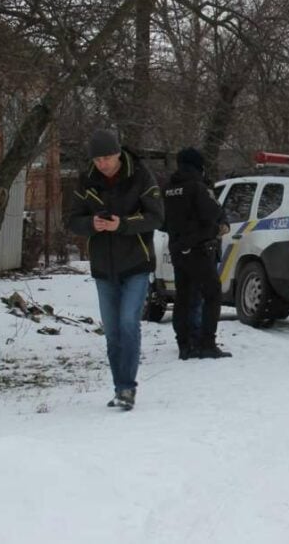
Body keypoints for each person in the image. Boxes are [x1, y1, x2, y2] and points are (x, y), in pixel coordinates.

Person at [67, 128, 164, 411]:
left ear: (118, 154)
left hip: (135, 263)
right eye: (97, 160)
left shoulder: (141, 176)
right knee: (112, 333)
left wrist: (122, 224)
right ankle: (120, 387)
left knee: (128, 324)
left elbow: (156, 217)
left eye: (107, 158)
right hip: (103, 267)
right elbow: (72, 219)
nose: (103, 164)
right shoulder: (86, 180)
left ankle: (127, 389)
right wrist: (91, 225)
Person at [163, 147, 231, 360]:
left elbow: (163, 221)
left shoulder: (168, 188)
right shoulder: (197, 187)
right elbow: (213, 212)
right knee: (213, 293)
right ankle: (207, 343)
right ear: (198, 166)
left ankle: (184, 344)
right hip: (199, 249)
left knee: (182, 297)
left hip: (177, 249)